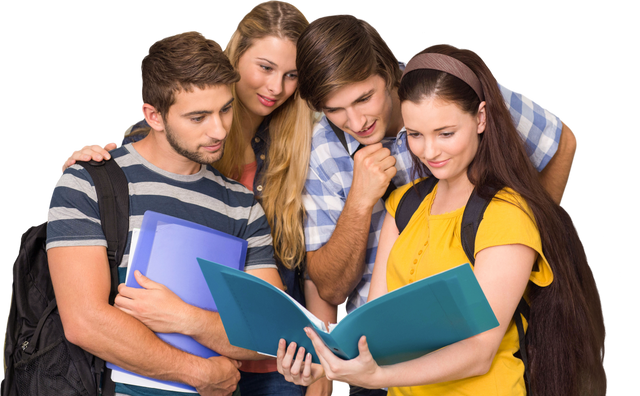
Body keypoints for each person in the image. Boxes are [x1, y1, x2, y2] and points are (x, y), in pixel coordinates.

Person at [276, 12, 582, 396]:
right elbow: (369, 319)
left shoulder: (448, 86)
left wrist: (522, 252)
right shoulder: (399, 204)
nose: (354, 121)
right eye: (417, 135)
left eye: (364, 98)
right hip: (389, 366)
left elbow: (479, 352)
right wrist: (320, 367)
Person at [57, 2, 337, 394]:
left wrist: (185, 318)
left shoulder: (244, 202)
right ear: (153, 117)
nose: (219, 130)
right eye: (198, 117)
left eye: (226, 111)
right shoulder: (93, 182)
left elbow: (268, 330)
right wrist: (195, 370)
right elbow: (85, 320)